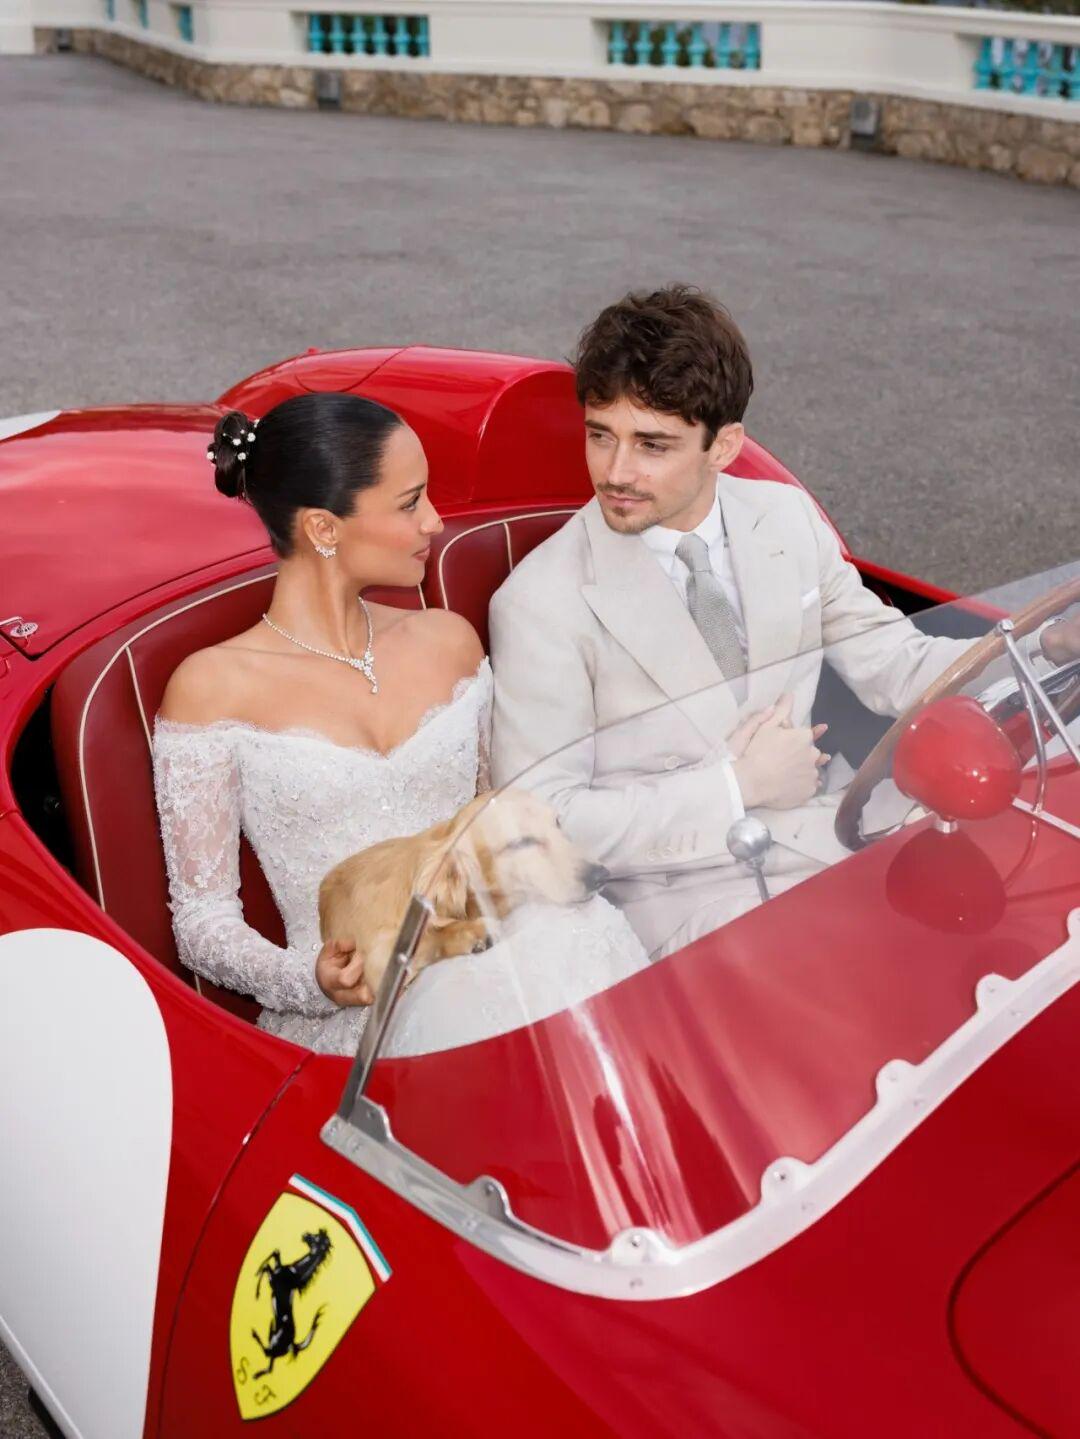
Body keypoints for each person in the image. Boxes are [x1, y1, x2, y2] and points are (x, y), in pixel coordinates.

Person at [488, 285, 1080, 957]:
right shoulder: (540, 599)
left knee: (1028, 925)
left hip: (833, 830)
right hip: (683, 893)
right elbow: (537, 824)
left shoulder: (786, 518)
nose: (615, 471)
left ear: (724, 446)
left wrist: (1048, 645)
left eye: (652, 445)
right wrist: (736, 787)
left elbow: (896, 665)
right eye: (601, 435)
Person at [153, 393, 646, 1056]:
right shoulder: (210, 688)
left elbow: (498, 819)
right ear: (325, 528)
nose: (435, 522)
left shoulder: (449, 641)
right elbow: (202, 921)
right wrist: (313, 979)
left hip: (497, 953)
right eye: (410, 503)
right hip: (361, 1011)